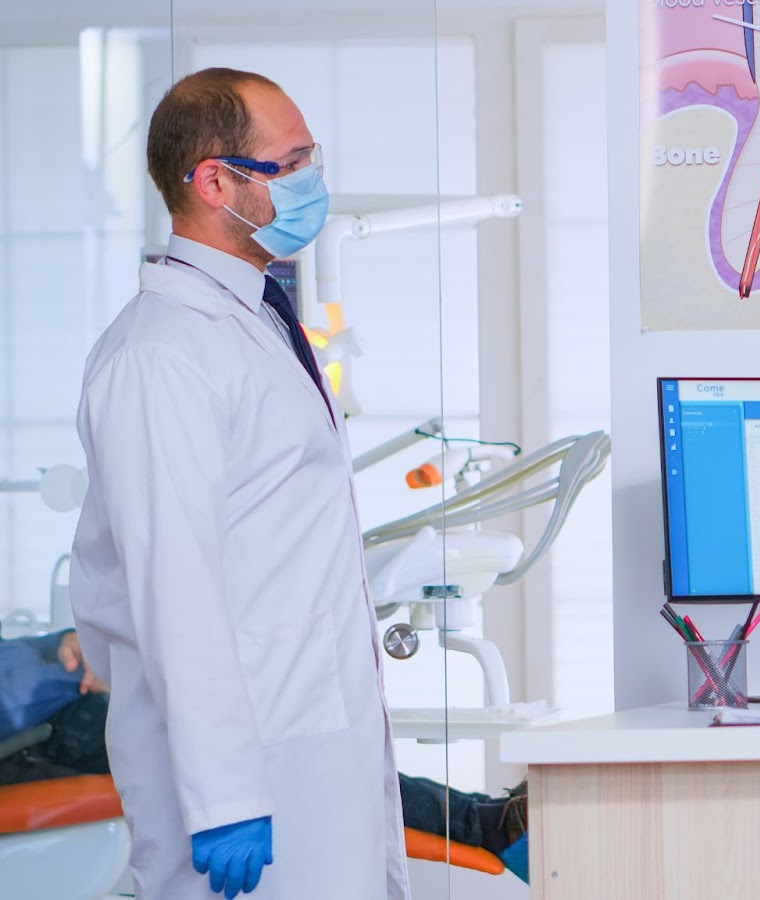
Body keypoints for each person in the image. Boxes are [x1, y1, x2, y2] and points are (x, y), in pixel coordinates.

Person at [70, 67, 407, 899]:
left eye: (312, 159)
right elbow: (171, 583)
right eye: (290, 164)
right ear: (215, 182)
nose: (312, 184)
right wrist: (223, 795)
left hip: (312, 744)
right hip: (243, 779)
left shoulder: (252, 318)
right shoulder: (161, 355)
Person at [0, 633, 527, 879]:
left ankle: (478, 819)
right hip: (36, 738)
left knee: (278, 736)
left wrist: (65, 642)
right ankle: (482, 825)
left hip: (65, 704)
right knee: (262, 746)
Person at [0, 627, 109, 784]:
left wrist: (63, 641)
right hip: (36, 734)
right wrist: (85, 676)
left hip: (60, 702)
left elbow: (13, 648)